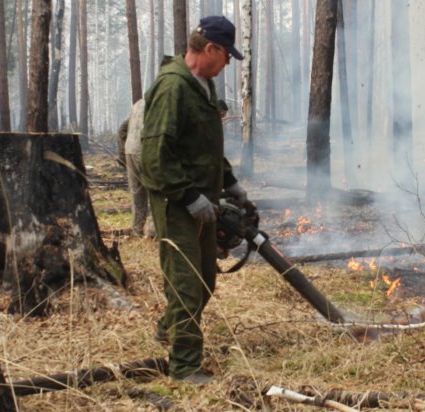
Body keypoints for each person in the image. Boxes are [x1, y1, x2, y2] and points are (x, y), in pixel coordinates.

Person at [139, 15, 248, 384]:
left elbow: (204, 145)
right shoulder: (173, 87)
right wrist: (187, 195)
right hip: (177, 203)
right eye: (226, 55)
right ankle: (185, 366)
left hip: (203, 200)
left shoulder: (203, 85)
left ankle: (167, 327)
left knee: (205, 280)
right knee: (186, 282)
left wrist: (228, 181)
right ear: (210, 49)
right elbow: (155, 153)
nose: (228, 63)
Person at [123, 99, 156, 238]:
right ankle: (154, 233)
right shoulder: (159, 102)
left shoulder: (137, 104)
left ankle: (137, 231)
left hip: (130, 151)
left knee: (137, 194)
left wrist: (122, 153)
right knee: (156, 191)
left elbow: (121, 130)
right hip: (145, 152)